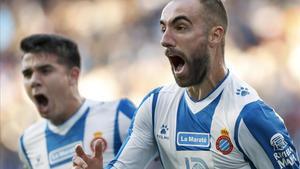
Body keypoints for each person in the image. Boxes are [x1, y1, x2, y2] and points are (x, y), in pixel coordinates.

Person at [72, 0, 300, 168]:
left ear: (215, 35)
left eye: (180, 27)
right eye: (163, 28)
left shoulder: (249, 116)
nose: (165, 40)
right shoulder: (155, 107)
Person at [18, 34, 136, 169]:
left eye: (45, 70)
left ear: (72, 76)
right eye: (27, 74)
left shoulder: (120, 115)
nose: (33, 81)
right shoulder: (28, 143)